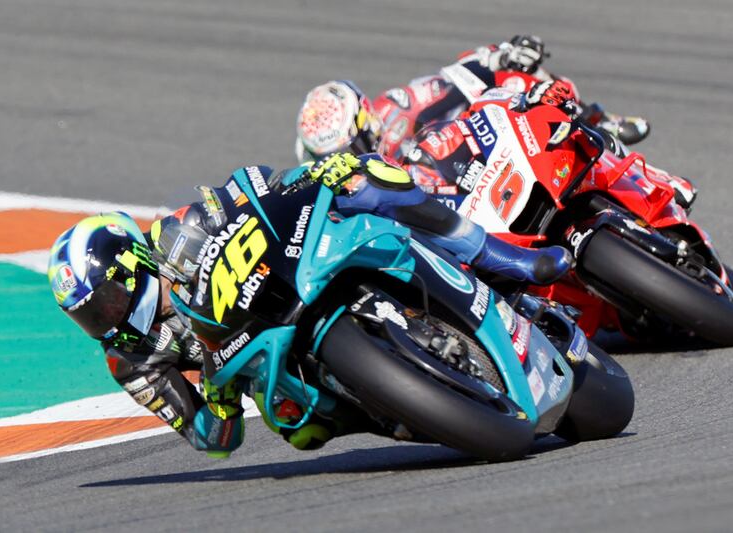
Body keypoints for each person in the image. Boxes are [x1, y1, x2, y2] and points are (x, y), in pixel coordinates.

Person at [48, 153, 573, 457]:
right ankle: (416, 410)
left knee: (369, 180)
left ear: (132, 262)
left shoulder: (173, 232)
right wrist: (218, 395)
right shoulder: (129, 361)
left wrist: (306, 177)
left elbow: (252, 187)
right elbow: (214, 439)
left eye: (108, 301)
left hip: (292, 275)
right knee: (304, 431)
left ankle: (499, 259)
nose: (107, 319)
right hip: (265, 365)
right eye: (90, 317)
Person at [295, 35, 650, 163]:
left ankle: (594, 120)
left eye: (350, 148)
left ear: (363, 120)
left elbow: (451, 79)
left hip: (479, 141)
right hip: (449, 211)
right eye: (337, 156)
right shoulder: (331, 179)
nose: (349, 158)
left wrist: (497, 55)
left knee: (514, 74)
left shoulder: (394, 109)